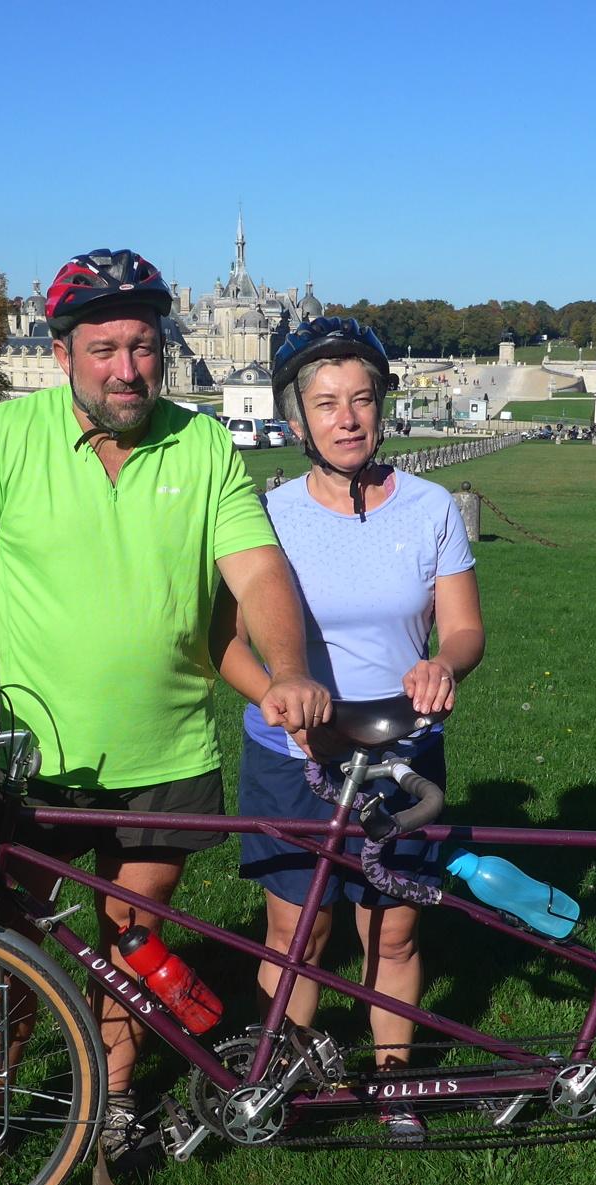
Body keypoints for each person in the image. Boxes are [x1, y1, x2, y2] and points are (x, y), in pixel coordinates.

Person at [0, 247, 331, 1185]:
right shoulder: (5, 438)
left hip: (166, 756)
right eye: (105, 349)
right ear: (63, 355)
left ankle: (119, 1101)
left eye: (143, 346)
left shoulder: (204, 445)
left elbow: (257, 573)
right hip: (31, 764)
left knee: (131, 948)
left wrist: (290, 669)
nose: (128, 369)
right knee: (0, 958)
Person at [212, 318, 486, 1141]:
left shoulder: (431, 507)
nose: (347, 418)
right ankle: (282, 1078)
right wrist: (277, 693)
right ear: (297, 420)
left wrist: (446, 664)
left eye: (362, 399)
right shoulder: (265, 516)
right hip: (293, 755)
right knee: (298, 924)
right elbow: (220, 642)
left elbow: (465, 627)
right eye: (326, 403)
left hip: (401, 749)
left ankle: (393, 1081)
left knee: (392, 927)